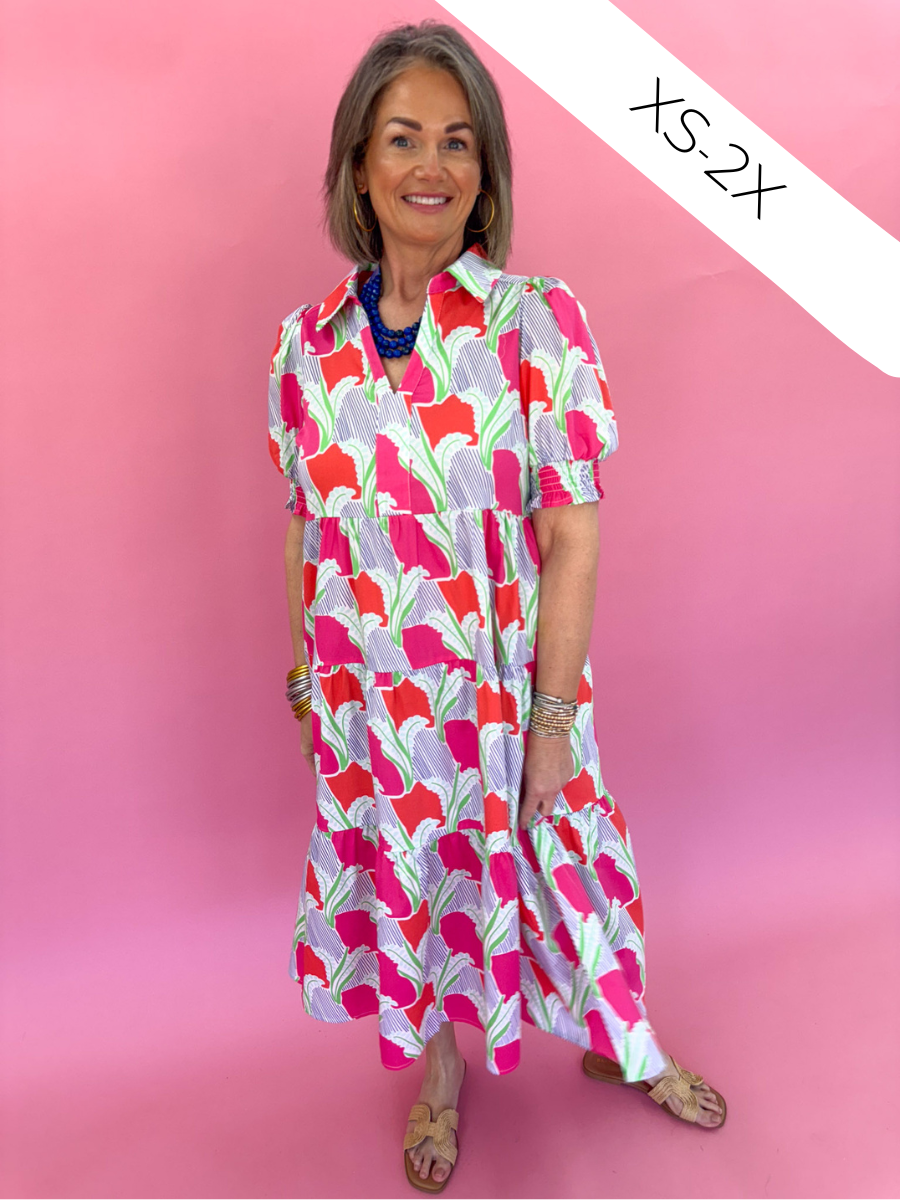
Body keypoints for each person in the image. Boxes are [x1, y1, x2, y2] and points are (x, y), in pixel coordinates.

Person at [267, 19, 726, 1193]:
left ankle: (627, 1043)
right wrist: (308, 679)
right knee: (413, 885)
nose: (432, 164)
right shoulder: (306, 350)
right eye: (403, 137)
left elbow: (573, 533)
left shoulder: (535, 321)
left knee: (571, 863)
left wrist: (553, 718)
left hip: (507, 692)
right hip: (374, 708)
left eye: (459, 141)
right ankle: (439, 1076)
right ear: (358, 167)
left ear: (486, 172)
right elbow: (307, 525)